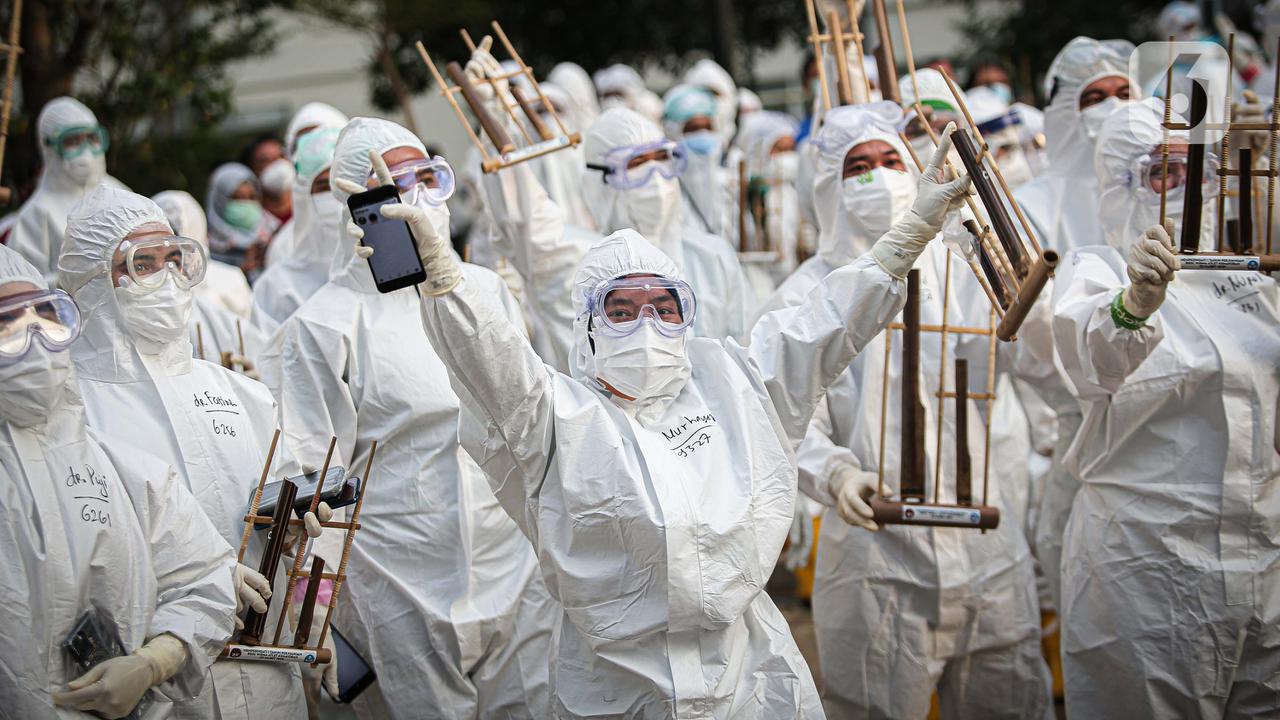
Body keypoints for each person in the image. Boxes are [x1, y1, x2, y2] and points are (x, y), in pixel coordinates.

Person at [379, 95, 972, 712]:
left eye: (664, 308)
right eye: (620, 309)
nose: (646, 325)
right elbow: (492, 365)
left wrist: (909, 235)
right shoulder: (554, 422)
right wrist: (444, 278)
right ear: (586, 328)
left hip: (748, 676)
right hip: (616, 691)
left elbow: (823, 324)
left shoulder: (734, 383)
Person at [759, 103, 1051, 719]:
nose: (878, 177)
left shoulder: (970, 264)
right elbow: (782, 406)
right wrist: (832, 472)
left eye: (891, 160)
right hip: (877, 555)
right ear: (828, 188)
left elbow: (1031, 365)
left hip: (988, 544)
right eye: (857, 167)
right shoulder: (807, 291)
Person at [277, 117, 556, 719]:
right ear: (359, 201)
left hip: (510, 567)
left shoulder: (483, 290)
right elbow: (310, 481)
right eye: (401, 183)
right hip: (398, 588)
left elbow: (529, 412)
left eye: (431, 176)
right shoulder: (325, 324)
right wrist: (313, 605)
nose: (424, 197)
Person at [56, 184, 327, 718]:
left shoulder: (239, 394)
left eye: (174, 259)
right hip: (157, 682)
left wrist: (291, 528)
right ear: (92, 283)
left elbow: (278, 495)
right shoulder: (72, 411)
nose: (167, 278)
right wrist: (195, 587)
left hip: (267, 665)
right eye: (141, 264)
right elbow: (79, 552)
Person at [1052, 100, 1280, 718]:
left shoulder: (1248, 278)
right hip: (1149, 573)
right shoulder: (1093, 270)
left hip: (1263, 564)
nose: (1181, 186)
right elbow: (1095, 352)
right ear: (1121, 183)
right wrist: (1137, 301)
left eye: (1191, 168)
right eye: (1160, 172)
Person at [0, 244, 238, 719]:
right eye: (7, 326)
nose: (37, 342)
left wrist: (155, 660)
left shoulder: (125, 470)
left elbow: (204, 577)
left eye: (46, 318)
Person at [9, 97, 126, 282]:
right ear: (49, 147)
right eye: (72, 141)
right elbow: (22, 288)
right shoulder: (36, 215)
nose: (86, 151)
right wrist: (76, 281)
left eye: (92, 139)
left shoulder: (123, 195)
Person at [251, 127, 344, 336]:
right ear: (304, 196)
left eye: (343, 182)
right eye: (323, 186)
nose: (337, 195)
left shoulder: (391, 263)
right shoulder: (277, 286)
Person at [736, 109, 804, 303]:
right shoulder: (742, 193)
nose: (788, 156)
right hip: (756, 287)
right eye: (780, 149)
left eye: (791, 149)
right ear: (759, 149)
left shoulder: (789, 190)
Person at [662, 85, 731, 238]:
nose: (702, 134)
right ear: (674, 132)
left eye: (708, 127)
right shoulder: (664, 187)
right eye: (692, 128)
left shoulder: (731, 182)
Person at [205, 163, 273, 279]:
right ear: (219, 201)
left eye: (251, 197)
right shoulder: (204, 246)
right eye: (236, 198)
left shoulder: (274, 237)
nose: (245, 204)